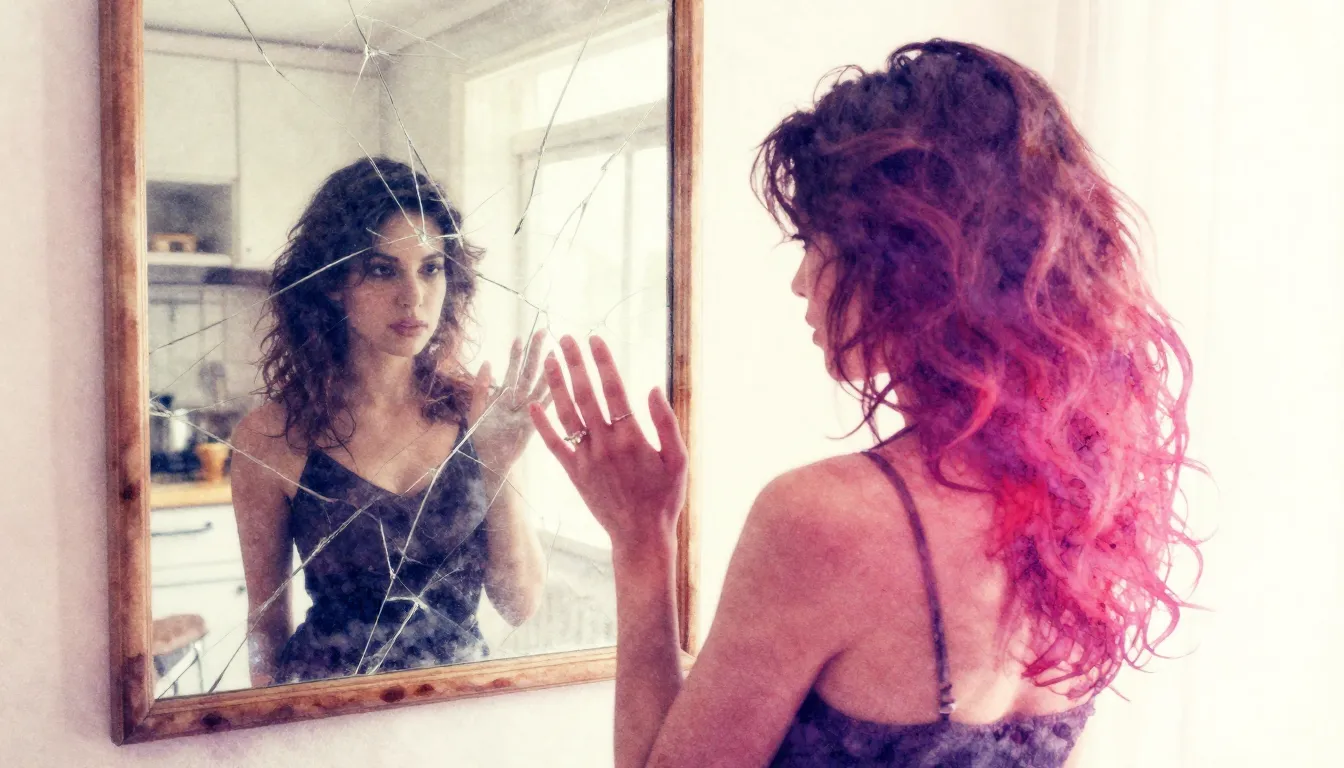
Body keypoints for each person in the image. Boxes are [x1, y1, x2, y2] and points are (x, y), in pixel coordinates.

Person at [528, 40, 1204, 767]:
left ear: (904, 259)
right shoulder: (1092, 497)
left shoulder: (824, 520)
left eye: (813, 242)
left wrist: (640, 541)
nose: (799, 282)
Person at [230, 156, 549, 686]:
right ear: (333, 283)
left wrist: (498, 467)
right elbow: (266, 628)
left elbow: (520, 606)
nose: (413, 297)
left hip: (460, 710)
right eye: (382, 270)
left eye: (430, 268)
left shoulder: (477, 415)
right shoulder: (269, 436)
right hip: (328, 713)